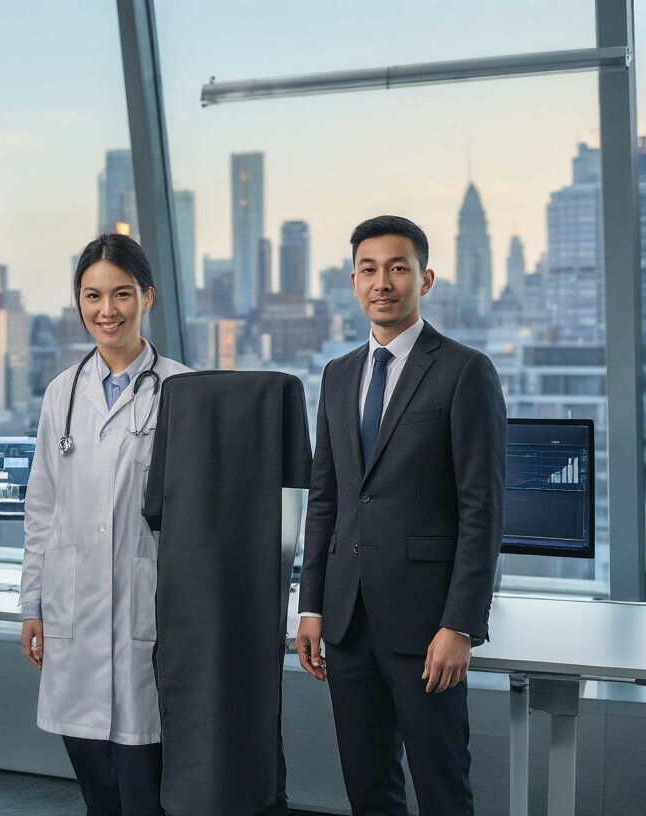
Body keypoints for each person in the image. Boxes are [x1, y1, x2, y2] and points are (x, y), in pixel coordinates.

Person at [294, 215, 506, 815]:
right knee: (369, 790)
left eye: (397, 268)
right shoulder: (337, 375)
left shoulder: (464, 371)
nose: (381, 282)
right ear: (353, 282)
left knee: (443, 790)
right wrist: (312, 606)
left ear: (425, 279)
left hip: (427, 626)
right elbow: (327, 499)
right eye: (368, 269)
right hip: (347, 622)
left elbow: (482, 510)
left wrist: (460, 624)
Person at [19, 233, 190, 816]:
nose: (107, 310)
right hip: (72, 614)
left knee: (146, 791)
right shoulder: (61, 393)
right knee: (97, 787)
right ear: (78, 302)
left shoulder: (182, 389)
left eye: (122, 294)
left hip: (149, 610)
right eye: (92, 296)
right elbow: (42, 507)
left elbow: (198, 515)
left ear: (148, 297)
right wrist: (32, 604)